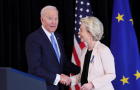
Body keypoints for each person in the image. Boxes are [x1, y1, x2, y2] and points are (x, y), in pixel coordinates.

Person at [25, 5, 80, 90]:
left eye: (56, 19)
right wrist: (58, 78)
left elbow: (63, 62)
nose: (54, 22)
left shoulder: (58, 37)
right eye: (50, 18)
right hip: (42, 87)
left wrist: (83, 71)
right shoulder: (34, 39)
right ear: (42, 20)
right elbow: (35, 68)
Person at [70, 16, 116, 90]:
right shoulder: (84, 50)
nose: (79, 32)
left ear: (90, 33)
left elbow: (111, 74)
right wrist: (70, 80)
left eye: (81, 30)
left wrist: (92, 84)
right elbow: (84, 74)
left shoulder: (103, 50)